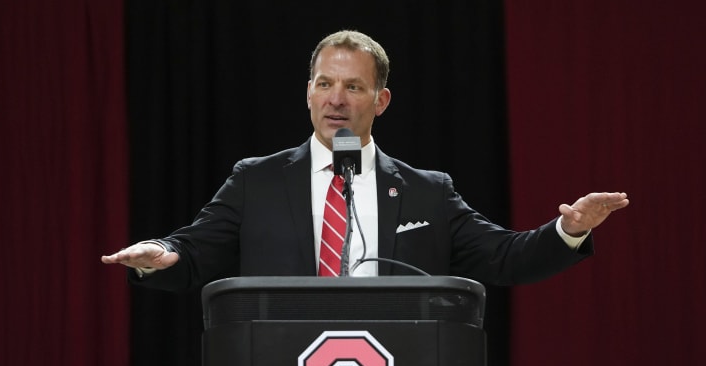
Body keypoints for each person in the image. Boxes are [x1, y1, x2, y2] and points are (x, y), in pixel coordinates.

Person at [102, 30, 629, 291]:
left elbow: (505, 257)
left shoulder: (427, 191)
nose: (336, 99)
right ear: (307, 93)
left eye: (354, 87)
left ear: (381, 101)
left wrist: (567, 231)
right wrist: (161, 251)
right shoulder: (256, 180)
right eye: (325, 84)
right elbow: (194, 250)